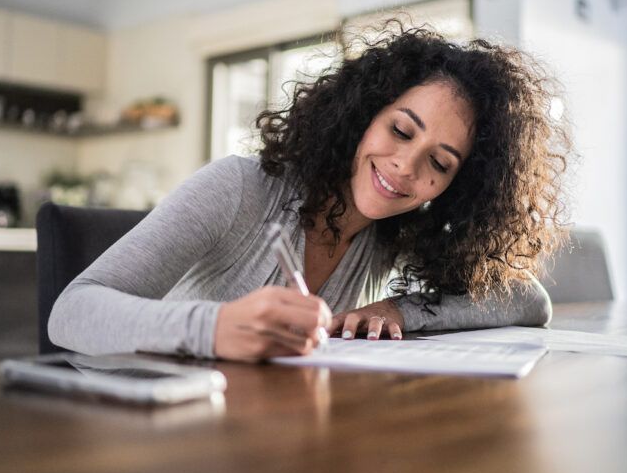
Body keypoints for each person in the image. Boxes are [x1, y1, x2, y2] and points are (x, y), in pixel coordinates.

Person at [48, 23, 572, 362]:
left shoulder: (393, 230)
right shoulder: (238, 189)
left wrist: (399, 310)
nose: (404, 168)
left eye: (439, 162)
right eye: (400, 131)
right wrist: (214, 327)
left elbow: (529, 299)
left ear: (458, 186)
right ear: (363, 115)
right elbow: (69, 312)